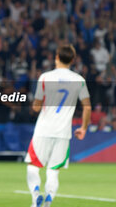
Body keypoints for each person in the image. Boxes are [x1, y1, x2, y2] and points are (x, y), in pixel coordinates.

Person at [25, 45, 91, 207]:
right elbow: (87, 106)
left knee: (33, 167)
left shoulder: (45, 77)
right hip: (63, 133)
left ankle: (35, 197)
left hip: (43, 130)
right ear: (73, 60)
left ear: (56, 57)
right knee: (53, 170)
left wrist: (33, 106)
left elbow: (36, 107)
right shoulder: (79, 80)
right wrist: (83, 128)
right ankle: (48, 201)